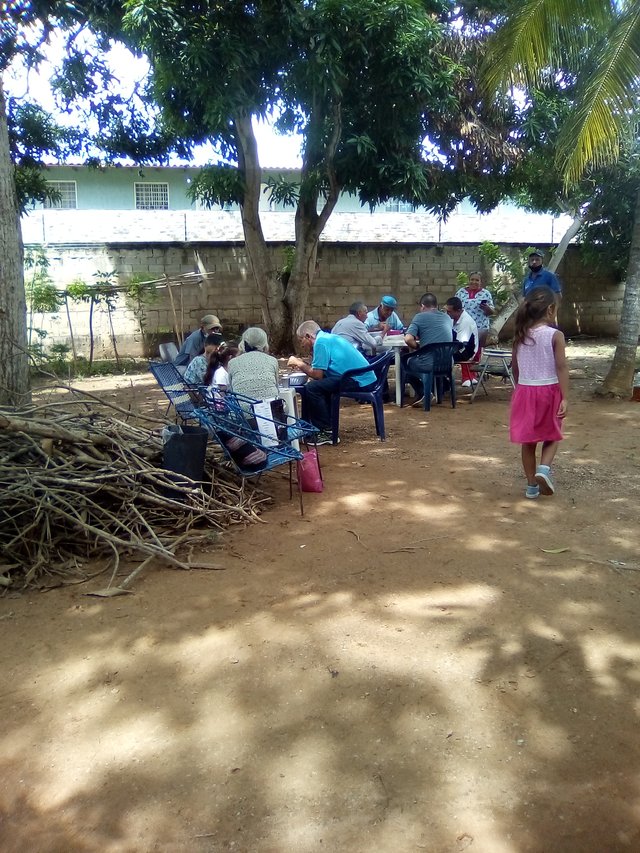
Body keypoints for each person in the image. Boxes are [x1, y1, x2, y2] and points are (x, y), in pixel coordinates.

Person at [510, 285, 569, 499]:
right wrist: (565, 397)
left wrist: (519, 388)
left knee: (528, 441)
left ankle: (531, 487)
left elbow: (514, 366)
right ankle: (544, 469)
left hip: (525, 391)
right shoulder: (555, 335)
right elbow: (561, 367)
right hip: (549, 391)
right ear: (551, 309)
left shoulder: (520, 335)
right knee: (552, 434)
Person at [288, 320, 377, 445]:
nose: (301, 345)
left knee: (313, 388)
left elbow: (317, 375)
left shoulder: (320, 343)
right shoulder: (328, 338)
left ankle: (326, 432)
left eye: (301, 340)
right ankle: (317, 427)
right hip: (364, 378)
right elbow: (321, 372)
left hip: (359, 380)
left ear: (308, 336)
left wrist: (299, 363)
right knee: (319, 387)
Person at [402, 293, 453, 407]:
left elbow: (408, 339)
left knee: (405, 363)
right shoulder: (447, 317)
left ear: (423, 306)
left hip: (429, 363)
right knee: (425, 363)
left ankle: (424, 393)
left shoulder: (420, 317)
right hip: (447, 363)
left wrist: (418, 347)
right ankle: (433, 393)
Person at [227, 327, 280, 402]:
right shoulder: (272, 361)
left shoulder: (232, 363)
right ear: (265, 343)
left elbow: (232, 389)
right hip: (269, 409)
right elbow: (276, 388)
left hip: (243, 411)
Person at [444, 296, 480, 387]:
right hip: (460, 347)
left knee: (439, 355)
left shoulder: (465, 322)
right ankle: (442, 381)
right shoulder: (453, 317)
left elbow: (459, 345)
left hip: (467, 352)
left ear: (458, 310)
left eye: (449, 311)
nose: (447, 313)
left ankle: (443, 382)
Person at [455, 271, 495, 347]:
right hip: (464, 327)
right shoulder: (460, 292)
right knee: (463, 349)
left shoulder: (485, 293)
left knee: (478, 349)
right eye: (472, 279)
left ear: (481, 282)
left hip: (480, 327)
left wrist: (487, 308)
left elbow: (492, 311)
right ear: (469, 280)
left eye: (477, 280)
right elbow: (454, 308)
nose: (474, 282)